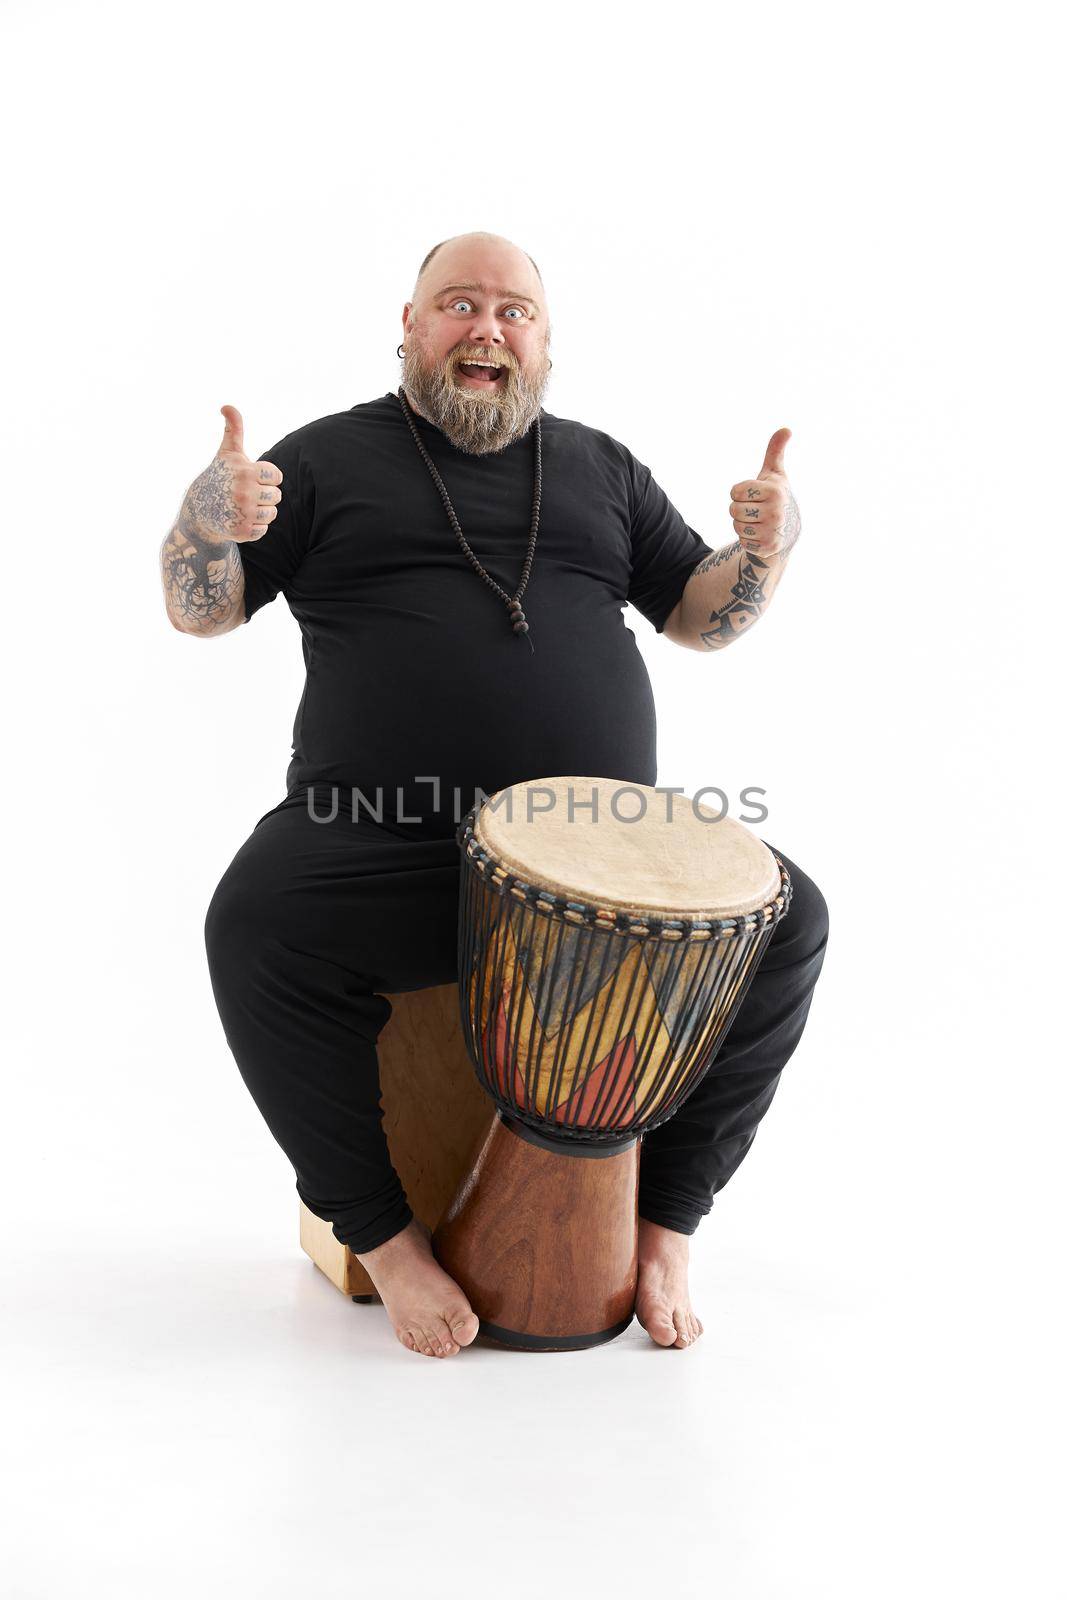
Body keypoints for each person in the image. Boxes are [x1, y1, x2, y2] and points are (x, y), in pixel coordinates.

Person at [160, 231, 829, 1360]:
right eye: (457, 304)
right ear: (411, 328)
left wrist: (764, 552)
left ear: (544, 343)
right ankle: (385, 1241)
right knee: (255, 922)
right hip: (382, 832)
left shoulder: (601, 466)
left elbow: (693, 616)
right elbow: (203, 610)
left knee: (786, 921)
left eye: (512, 310)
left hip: (600, 858)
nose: (486, 327)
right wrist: (201, 527)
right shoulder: (322, 459)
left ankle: (664, 1226)